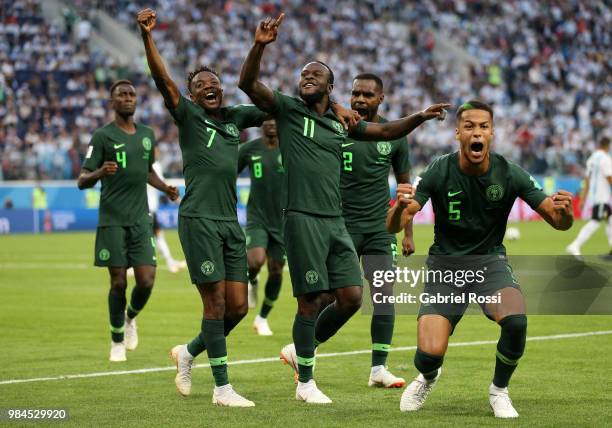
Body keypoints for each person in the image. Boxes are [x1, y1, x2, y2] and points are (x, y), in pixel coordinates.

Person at [137, 8, 358, 406]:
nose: (211, 87)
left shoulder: (235, 119)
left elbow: (294, 106)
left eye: (215, 84)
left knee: (237, 307)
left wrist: (338, 105)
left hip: (229, 222)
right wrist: (147, 37)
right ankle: (222, 389)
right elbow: (162, 79)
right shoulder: (186, 115)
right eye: (202, 84)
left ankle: (187, 353)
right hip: (198, 219)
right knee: (216, 303)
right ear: (191, 94)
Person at [238, 13, 449, 404]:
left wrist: (418, 117)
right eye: (303, 74)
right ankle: (305, 383)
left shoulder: (342, 124)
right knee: (311, 300)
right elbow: (248, 84)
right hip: (302, 219)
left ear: (329, 86)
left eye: (316, 75)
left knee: (352, 296)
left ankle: (354, 362)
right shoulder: (287, 110)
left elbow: (386, 132)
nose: (307, 77)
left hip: (335, 221)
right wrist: (260, 45)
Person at [386, 100, 574, 418]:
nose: (477, 132)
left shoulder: (510, 172)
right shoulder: (437, 169)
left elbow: (557, 221)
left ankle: (499, 390)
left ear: (492, 133)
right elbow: (393, 223)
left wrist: (566, 214)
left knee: (515, 321)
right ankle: (428, 376)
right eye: (470, 126)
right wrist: (399, 209)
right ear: (458, 133)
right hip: (445, 267)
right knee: (429, 354)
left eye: (483, 126)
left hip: (489, 264)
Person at [77, 79, 178, 362]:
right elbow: (82, 180)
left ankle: (130, 316)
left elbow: (146, 172)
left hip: (139, 219)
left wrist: (165, 187)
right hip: (111, 220)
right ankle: (117, 341)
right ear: (112, 102)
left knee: (146, 280)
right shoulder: (101, 137)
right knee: (118, 283)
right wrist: (99, 172)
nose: (128, 98)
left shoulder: (147, 135)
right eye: (122, 95)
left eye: (132, 94)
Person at [340, 73, 413, 388]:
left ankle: (378, 369)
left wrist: (408, 234)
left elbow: (405, 188)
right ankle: (305, 353)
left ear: (380, 98)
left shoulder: (394, 135)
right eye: (355, 93)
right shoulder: (336, 125)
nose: (359, 99)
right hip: (339, 226)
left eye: (367, 95)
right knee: (334, 296)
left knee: (383, 296)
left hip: (379, 229)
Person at [237, 119, 285, 336]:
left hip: (283, 219)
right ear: (260, 123)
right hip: (257, 215)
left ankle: (262, 317)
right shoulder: (249, 149)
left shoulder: (291, 145)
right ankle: (252, 277)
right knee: (255, 260)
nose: (271, 123)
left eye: (275, 118)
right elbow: (229, 173)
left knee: (276, 270)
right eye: (266, 119)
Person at [566, 136, 612, 258]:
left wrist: (582, 199)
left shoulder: (591, 159)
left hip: (595, 196)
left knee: (610, 221)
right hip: (603, 196)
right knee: (596, 222)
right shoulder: (606, 159)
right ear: (608, 146)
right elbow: (609, 177)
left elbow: (587, 181)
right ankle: (575, 245)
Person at [147, 148, 186, 273]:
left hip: (148, 207)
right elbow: (163, 184)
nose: (158, 153)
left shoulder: (145, 164)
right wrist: (178, 199)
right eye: (156, 152)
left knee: (156, 235)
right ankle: (170, 263)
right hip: (147, 207)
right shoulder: (154, 166)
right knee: (156, 235)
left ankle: (170, 262)